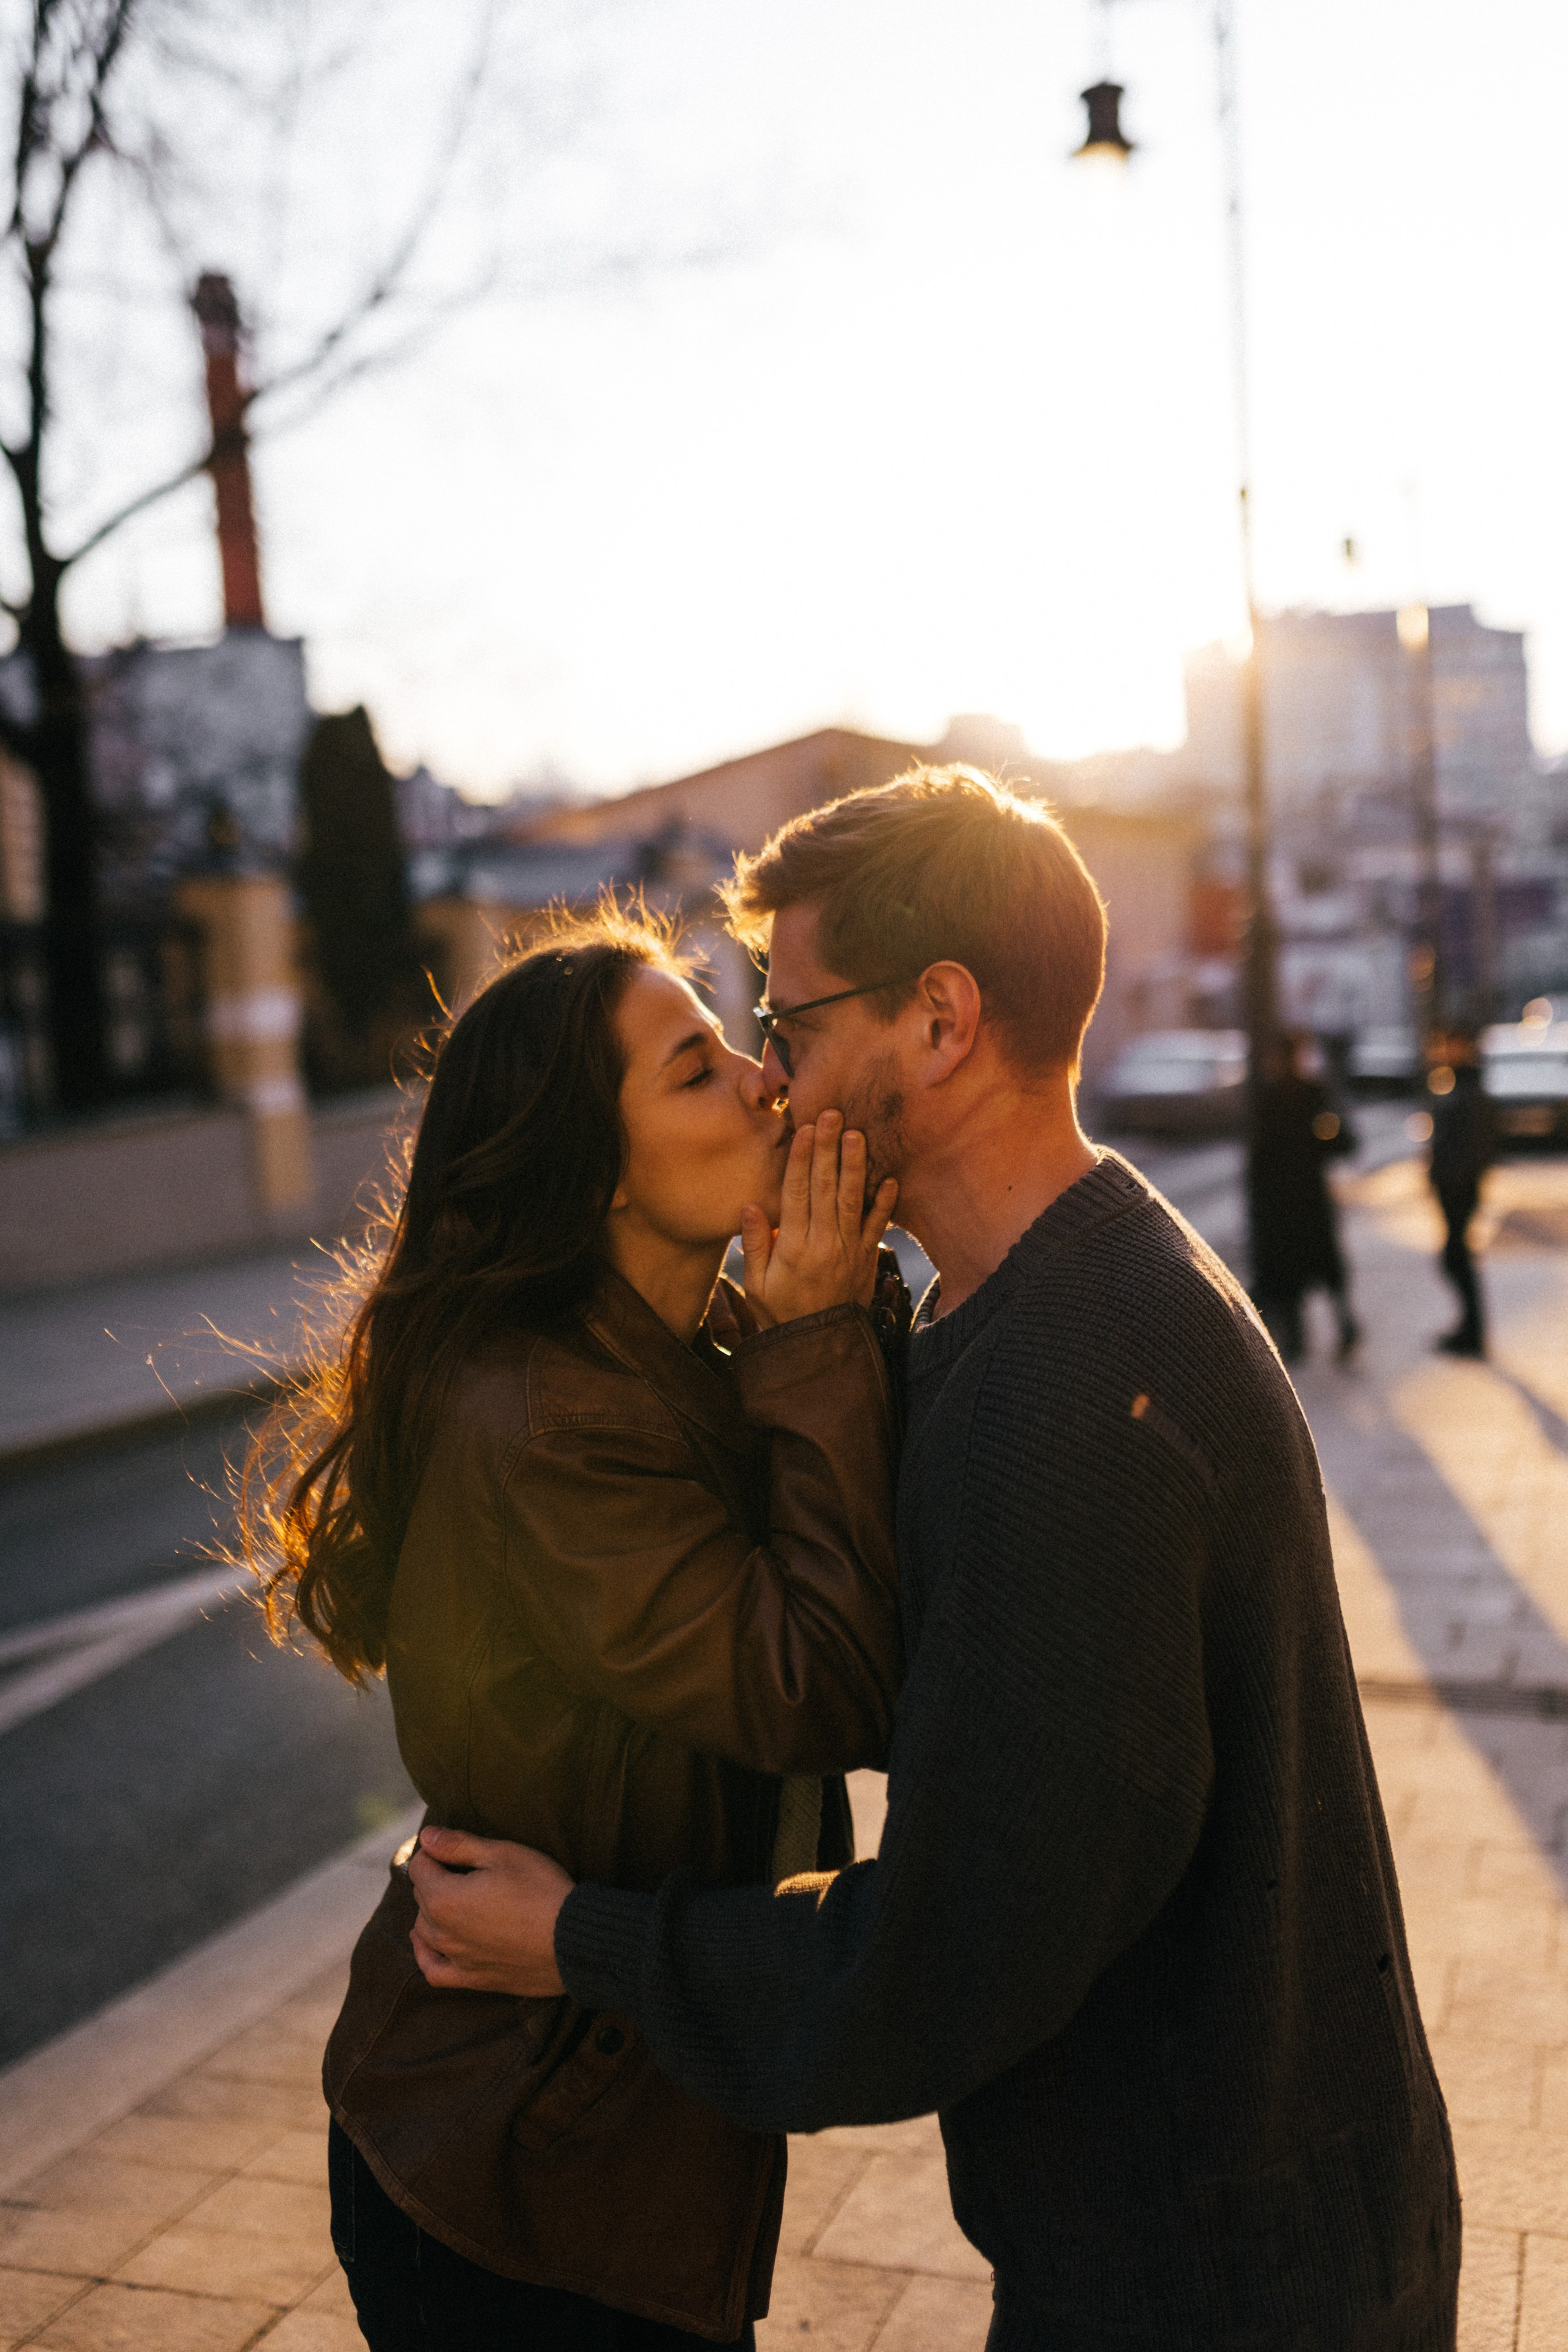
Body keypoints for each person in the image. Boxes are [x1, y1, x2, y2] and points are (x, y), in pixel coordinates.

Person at [409, 768, 1461, 2352]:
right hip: (1239, 2233)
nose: (772, 1076)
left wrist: (579, 1938)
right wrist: (817, 1329)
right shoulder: (1056, 1294)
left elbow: (938, 1963)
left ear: (942, 1024)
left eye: (793, 1022)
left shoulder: (1075, 1390)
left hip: (1214, 2287)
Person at [241, 906, 910, 2350]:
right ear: (591, 1175)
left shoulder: (698, 1346)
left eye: (735, 1040)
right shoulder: (547, 1416)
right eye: (693, 1069)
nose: (761, 1077)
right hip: (514, 2177)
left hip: (601, 2135)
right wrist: (819, 1335)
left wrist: (830, 1313)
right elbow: (820, 1687)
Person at [1246, 1028, 1360, 1363]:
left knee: (1294, 1270)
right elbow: (1341, 1142)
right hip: (1306, 1200)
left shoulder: (1286, 1097)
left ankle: (1310, 1336)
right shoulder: (1309, 1094)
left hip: (1288, 1203)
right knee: (1319, 1267)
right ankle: (1335, 1327)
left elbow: (1258, 1162)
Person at [1427, 1030, 1496, 1359]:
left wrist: (1456, 1178)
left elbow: (1478, 1144)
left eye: (1450, 1044)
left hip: (1461, 1187)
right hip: (1451, 1184)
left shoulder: (1470, 1088)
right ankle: (1470, 1329)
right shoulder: (1453, 1083)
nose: (1444, 1049)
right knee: (1456, 1256)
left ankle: (1473, 1332)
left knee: (1455, 1256)